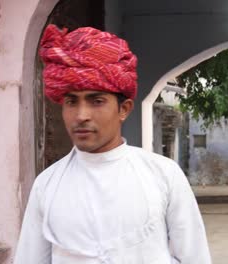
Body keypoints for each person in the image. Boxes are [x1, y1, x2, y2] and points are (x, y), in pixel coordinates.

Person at [14, 24, 211, 264]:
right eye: (71, 102)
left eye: (96, 101)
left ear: (124, 109)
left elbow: (194, 257)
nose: (81, 115)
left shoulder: (163, 175)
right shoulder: (47, 185)